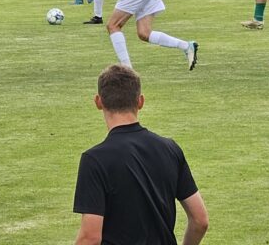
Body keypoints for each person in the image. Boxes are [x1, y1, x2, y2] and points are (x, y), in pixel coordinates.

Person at [73, 64, 209, 245]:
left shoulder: (95, 160)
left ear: (98, 102)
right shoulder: (170, 149)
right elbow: (200, 221)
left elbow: (90, 238)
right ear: (140, 101)